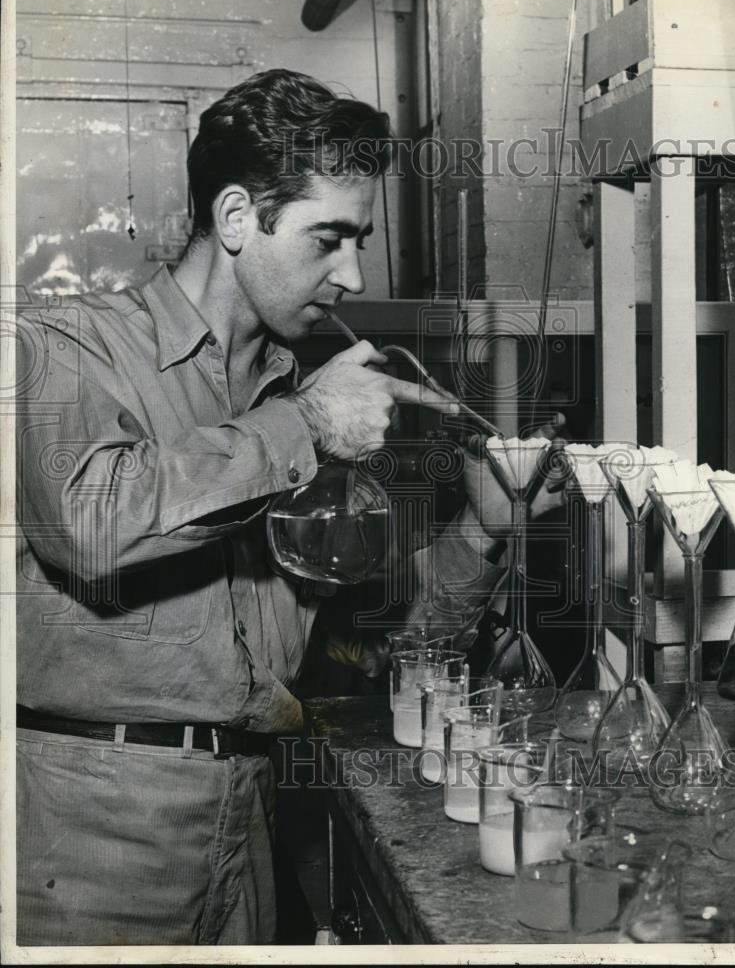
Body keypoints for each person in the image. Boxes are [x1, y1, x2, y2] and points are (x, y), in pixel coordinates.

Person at [14, 68, 516, 947]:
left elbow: (378, 635)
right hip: (90, 837)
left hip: (249, 820)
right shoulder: (67, 346)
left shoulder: (292, 390)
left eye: (358, 240)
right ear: (238, 217)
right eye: (328, 238)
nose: (352, 273)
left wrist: (485, 526)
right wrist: (308, 423)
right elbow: (92, 527)